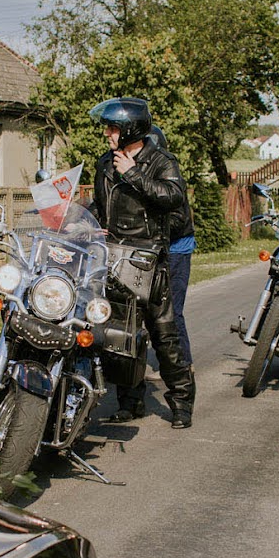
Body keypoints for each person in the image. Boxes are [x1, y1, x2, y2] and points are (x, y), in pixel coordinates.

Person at [90, 97, 196, 428]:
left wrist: (134, 174)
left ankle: (181, 404)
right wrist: (87, 221)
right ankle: (129, 402)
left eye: (112, 128)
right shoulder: (105, 163)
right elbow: (100, 203)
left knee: (164, 336)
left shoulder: (161, 161)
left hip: (150, 260)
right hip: (115, 257)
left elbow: (172, 197)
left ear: (130, 129)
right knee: (120, 335)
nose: (107, 133)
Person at [143, 125, 194, 366]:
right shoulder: (141, 179)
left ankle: (183, 365)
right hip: (149, 252)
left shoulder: (170, 178)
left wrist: (149, 231)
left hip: (176, 251)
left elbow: (177, 220)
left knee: (172, 311)